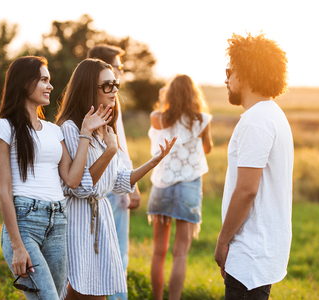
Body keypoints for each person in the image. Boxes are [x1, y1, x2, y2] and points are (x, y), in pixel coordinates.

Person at [0, 56, 113, 300]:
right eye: (44, 80)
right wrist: (17, 246)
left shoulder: (54, 131)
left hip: (58, 221)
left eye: (49, 80)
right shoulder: (3, 128)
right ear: (24, 83)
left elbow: (73, 180)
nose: (50, 86)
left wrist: (85, 133)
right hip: (25, 223)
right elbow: (4, 190)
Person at [55, 58, 177, 300]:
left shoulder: (105, 129)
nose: (114, 91)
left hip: (102, 220)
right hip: (78, 222)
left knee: (94, 292)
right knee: (85, 292)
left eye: (116, 84)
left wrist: (153, 161)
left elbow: (120, 181)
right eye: (107, 85)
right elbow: (78, 186)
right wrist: (110, 151)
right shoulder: (70, 128)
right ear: (89, 88)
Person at [214, 33, 294, 300]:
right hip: (262, 251)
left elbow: (247, 189)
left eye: (230, 71)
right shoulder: (272, 114)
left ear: (246, 74)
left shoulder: (256, 120)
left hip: (250, 252)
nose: (226, 79)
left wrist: (223, 241)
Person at [148, 74, 213, 300]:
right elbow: (207, 148)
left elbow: (160, 118)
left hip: (162, 184)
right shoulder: (202, 120)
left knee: (159, 251)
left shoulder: (158, 118)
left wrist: (164, 98)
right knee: (180, 254)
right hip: (189, 186)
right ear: (194, 94)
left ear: (169, 93)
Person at [87, 44, 141, 300]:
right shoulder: (109, 103)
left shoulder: (99, 102)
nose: (119, 74)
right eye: (117, 67)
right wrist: (133, 186)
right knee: (117, 254)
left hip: (107, 181)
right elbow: (118, 147)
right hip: (110, 183)